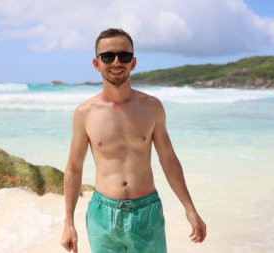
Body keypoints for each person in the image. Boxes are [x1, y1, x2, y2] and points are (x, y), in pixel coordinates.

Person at [61, 28, 206, 253]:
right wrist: (68, 223)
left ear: (134, 62)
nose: (116, 62)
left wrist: (190, 208)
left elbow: (168, 158)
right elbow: (74, 168)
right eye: (108, 56)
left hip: (147, 212)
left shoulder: (152, 107)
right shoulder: (85, 113)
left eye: (124, 56)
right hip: (103, 216)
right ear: (96, 63)